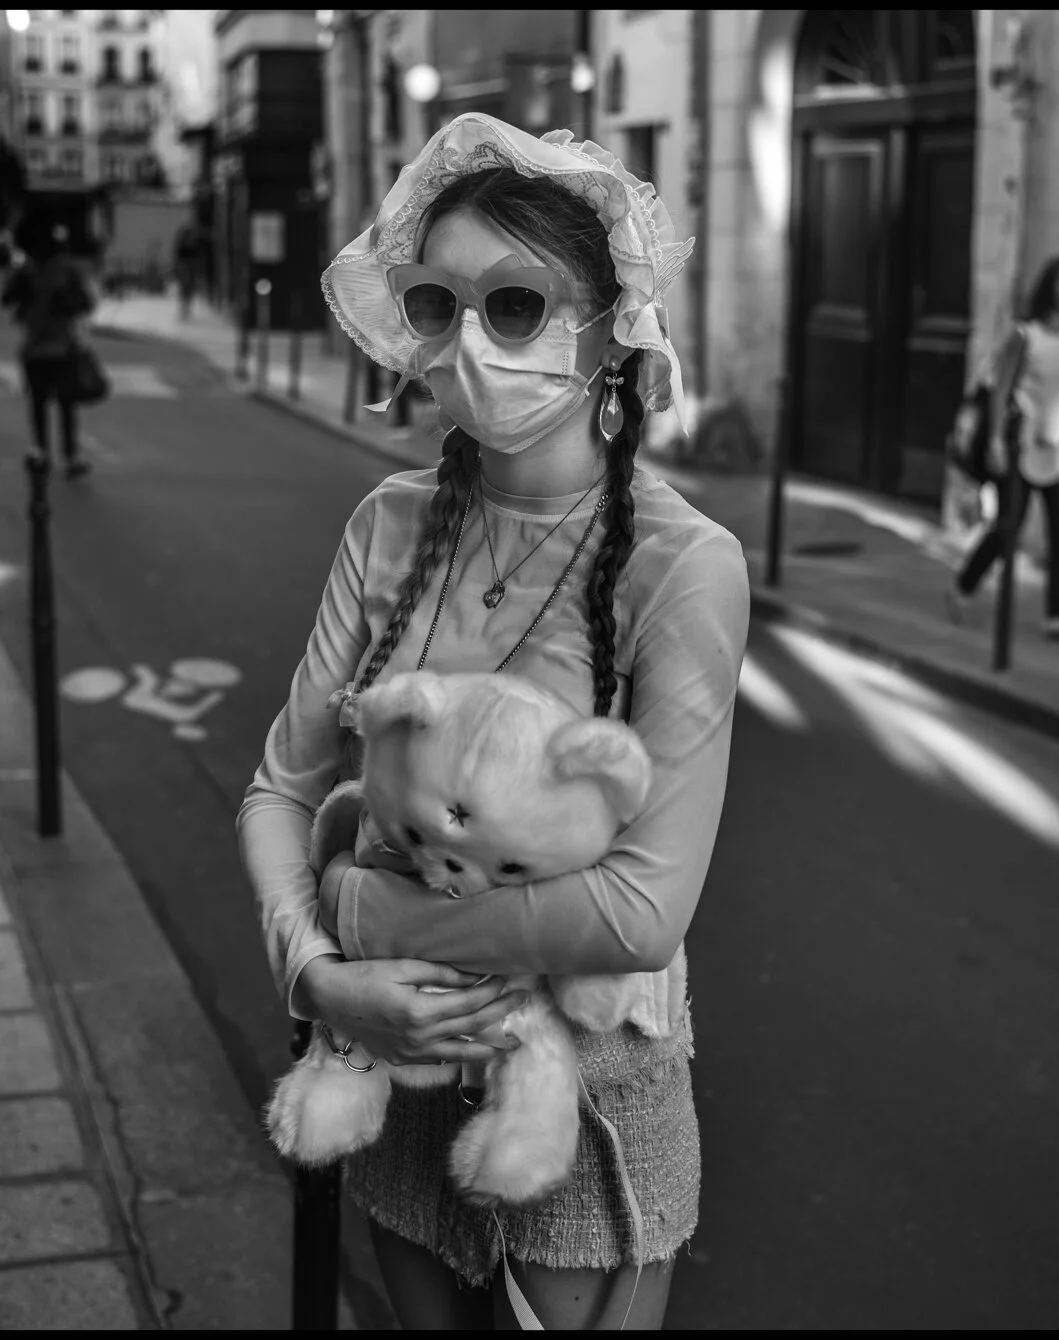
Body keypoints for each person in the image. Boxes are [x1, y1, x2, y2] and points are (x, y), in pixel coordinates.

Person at [237, 114, 748, 1330]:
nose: (468, 342)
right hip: (387, 1063)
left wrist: (360, 916)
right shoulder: (386, 523)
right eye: (435, 303)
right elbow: (279, 787)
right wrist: (320, 980)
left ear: (606, 335)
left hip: (582, 1083)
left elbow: (639, 910)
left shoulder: (682, 566)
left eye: (512, 306)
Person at [948, 253, 1059, 644]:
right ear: (1051, 288)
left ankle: (1056, 618)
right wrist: (996, 439)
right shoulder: (1025, 335)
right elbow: (1000, 390)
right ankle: (964, 585)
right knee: (1008, 528)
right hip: (1020, 445)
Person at [0, 219, 97, 479]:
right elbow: (87, 303)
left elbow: (5, 299)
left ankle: (41, 451)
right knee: (67, 404)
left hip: (34, 347)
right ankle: (71, 456)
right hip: (64, 346)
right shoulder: (69, 270)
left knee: (38, 402)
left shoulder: (26, 271)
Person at [173, 219, 206, 320]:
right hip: (186, 269)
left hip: (189, 269)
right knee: (185, 289)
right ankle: (184, 310)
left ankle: (185, 309)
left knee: (188, 289)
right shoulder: (187, 247)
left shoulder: (193, 245)